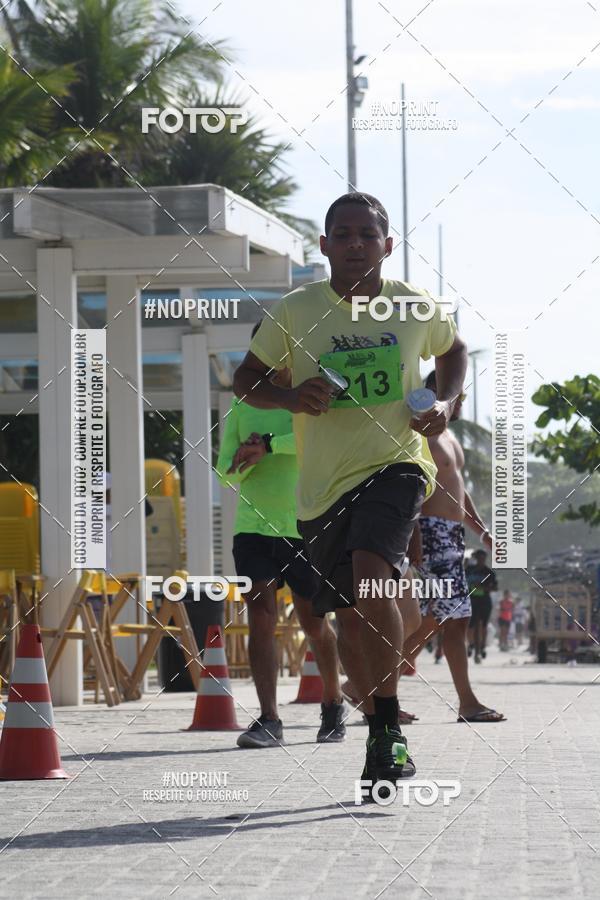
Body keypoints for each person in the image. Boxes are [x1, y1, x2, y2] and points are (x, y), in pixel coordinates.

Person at [233, 191, 468, 793]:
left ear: (388, 245)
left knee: (372, 576)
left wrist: (444, 402)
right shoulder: (295, 309)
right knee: (348, 615)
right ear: (325, 245)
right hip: (320, 490)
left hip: (396, 464)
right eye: (344, 234)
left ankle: (387, 725)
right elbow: (245, 379)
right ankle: (374, 723)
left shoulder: (417, 308)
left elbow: (454, 351)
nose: (356, 243)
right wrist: (291, 397)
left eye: (369, 234)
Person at [217, 322, 345, 748]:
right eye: (264, 348)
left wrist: (269, 444)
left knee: (314, 623)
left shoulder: (312, 397)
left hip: (305, 526)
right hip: (252, 528)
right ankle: (269, 718)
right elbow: (223, 470)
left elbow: (315, 445)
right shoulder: (242, 404)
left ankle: (332, 704)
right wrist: (243, 459)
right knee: (260, 618)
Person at [401, 372, 505, 723]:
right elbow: (410, 480)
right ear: (438, 392)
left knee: (440, 617)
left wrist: (481, 530)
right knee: (453, 617)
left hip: (451, 535)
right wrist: (413, 532)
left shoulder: (448, 435)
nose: (459, 403)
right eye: (456, 396)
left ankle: (364, 685)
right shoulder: (419, 430)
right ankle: (467, 702)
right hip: (430, 533)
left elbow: (458, 490)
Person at [465, 549, 497, 662]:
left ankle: (483, 646)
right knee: (470, 625)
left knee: (484, 625)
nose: (481, 561)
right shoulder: (469, 570)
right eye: (479, 558)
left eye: (483, 559)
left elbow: (495, 588)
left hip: (484, 600)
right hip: (471, 600)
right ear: (476, 558)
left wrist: (483, 588)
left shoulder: (489, 572)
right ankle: (471, 644)